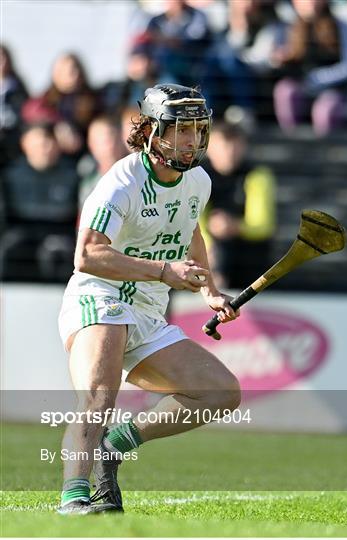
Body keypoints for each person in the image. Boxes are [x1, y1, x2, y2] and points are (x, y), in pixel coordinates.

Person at [57, 84, 241, 514]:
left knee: (221, 393)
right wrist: (163, 271)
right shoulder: (122, 181)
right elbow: (86, 254)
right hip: (99, 297)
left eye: (198, 129)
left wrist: (210, 291)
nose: (192, 139)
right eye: (181, 130)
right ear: (154, 134)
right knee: (99, 395)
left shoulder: (198, 180)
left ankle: (115, 445)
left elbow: (190, 230)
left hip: (148, 310)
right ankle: (73, 499)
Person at [0, 124, 78, 281]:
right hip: (20, 234)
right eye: (39, 144)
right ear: (24, 144)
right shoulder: (10, 176)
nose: (45, 149)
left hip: (61, 235)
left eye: (49, 142)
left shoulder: (73, 174)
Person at [203, 121, 276, 288]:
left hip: (250, 258)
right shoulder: (198, 176)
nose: (229, 153)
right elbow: (193, 222)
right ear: (209, 148)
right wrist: (208, 241)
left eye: (235, 147)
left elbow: (263, 226)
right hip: (210, 257)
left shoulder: (257, 175)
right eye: (223, 147)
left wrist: (233, 226)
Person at [272, 0, 347, 136]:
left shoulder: (338, 27)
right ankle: (293, 142)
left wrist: (316, 79)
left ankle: (325, 151)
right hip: (302, 89)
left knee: (324, 110)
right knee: (285, 91)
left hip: (332, 90)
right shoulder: (288, 28)